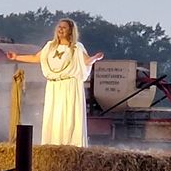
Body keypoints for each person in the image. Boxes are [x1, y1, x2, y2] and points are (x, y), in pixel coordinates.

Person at [6, 18, 104, 147]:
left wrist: (94, 58)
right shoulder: (50, 46)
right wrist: (17, 57)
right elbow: (36, 58)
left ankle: (71, 145)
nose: (60, 29)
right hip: (54, 86)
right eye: (59, 27)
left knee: (68, 117)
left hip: (69, 85)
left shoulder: (76, 47)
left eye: (64, 27)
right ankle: (52, 145)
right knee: (54, 117)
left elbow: (85, 61)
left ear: (70, 31)